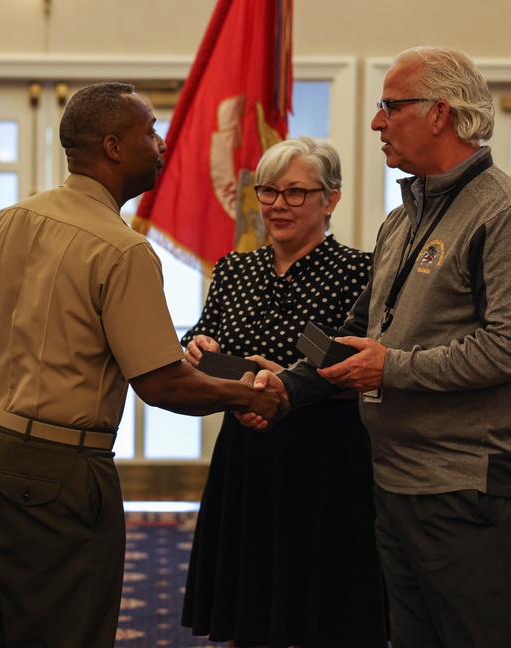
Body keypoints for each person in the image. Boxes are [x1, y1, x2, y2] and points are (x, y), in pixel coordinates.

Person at [0, 82, 283, 648]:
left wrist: (17, 380)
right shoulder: (122, 251)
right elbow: (161, 382)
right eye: (151, 131)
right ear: (114, 147)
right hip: (59, 471)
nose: (161, 143)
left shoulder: (14, 217)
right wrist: (248, 394)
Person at [242, 46, 511, 648]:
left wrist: (393, 369)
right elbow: (360, 335)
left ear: (440, 112)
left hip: (468, 485)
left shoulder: (508, 213)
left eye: (390, 105)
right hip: (394, 478)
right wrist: (285, 385)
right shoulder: (403, 217)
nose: (376, 122)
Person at [181, 136, 387, 647]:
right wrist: (198, 347)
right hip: (246, 454)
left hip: (325, 459)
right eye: (268, 191)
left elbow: (353, 363)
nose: (277, 204)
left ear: (330, 199)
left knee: (327, 612)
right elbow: (204, 339)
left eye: (295, 192)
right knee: (247, 611)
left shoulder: (360, 272)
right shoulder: (234, 269)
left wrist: (284, 385)